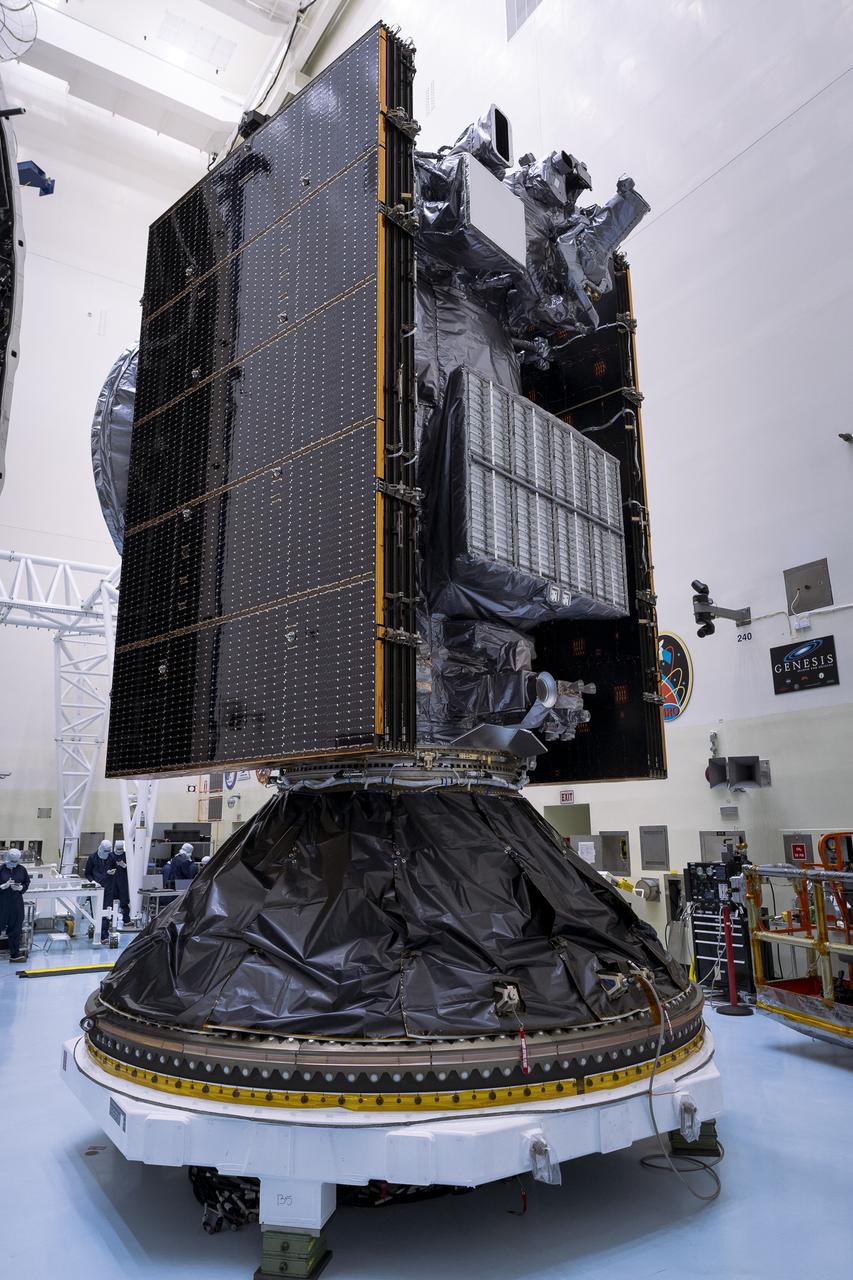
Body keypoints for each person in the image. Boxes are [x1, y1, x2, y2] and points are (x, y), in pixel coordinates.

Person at [0, 848, 31, 962]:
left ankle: (15, 954)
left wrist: (21, 888)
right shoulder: (1, 869)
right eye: (11, 861)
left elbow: (26, 882)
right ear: (7, 858)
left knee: (16, 929)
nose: (13, 864)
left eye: (15, 861)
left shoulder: (22, 869)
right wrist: (2, 887)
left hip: (16, 903)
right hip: (2, 903)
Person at [85, 839, 116, 942]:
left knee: (106, 911)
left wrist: (113, 871)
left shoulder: (111, 857)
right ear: (101, 848)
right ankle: (98, 931)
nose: (107, 854)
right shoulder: (92, 858)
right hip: (96, 888)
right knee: (97, 910)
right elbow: (87, 873)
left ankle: (104, 935)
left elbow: (115, 868)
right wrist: (92, 881)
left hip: (108, 887)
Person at [112, 839, 132, 926]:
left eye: (120, 849)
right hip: (113, 882)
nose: (119, 851)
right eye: (118, 849)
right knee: (111, 902)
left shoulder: (127, 856)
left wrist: (125, 866)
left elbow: (132, 869)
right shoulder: (111, 856)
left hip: (123, 882)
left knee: (124, 902)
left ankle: (126, 920)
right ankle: (111, 920)